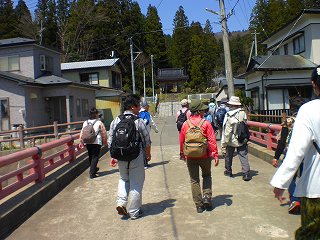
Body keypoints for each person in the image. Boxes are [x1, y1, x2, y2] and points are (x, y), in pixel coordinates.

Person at [271, 66, 320, 239]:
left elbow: (296, 151)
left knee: (310, 234)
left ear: (314, 84)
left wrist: (281, 182)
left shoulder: (308, 110)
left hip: (316, 188)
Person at [108, 94, 151, 220]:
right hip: (135, 156)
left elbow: (111, 140)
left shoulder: (116, 120)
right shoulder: (138, 121)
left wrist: (114, 156)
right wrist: (148, 154)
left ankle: (121, 203)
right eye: (138, 105)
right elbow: (147, 141)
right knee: (136, 183)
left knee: (123, 179)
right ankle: (134, 212)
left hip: (120, 156)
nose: (140, 107)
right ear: (132, 107)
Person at [179, 99, 219, 213]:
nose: (204, 111)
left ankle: (199, 205)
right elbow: (212, 140)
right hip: (204, 155)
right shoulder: (206, 123)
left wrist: (182, 153)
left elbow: (181, 140)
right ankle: (207, 198)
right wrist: (215, 154)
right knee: (206, 176)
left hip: (190, 156)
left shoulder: (185, 124)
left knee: (194, 180)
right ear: (198, 111)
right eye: (202, 109)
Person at [272, 116, 301, 214]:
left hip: (291, 154)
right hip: (307, 154)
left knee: (290, 177)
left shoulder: (287, 125)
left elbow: (282, 143)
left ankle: (295, 200)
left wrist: (276, 157)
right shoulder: (303, 123)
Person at [221, 96, 251, 181]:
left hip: (231, 139)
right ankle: (246, 173)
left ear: (232, 105)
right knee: (243, 155)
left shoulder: (229, 115)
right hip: (242, 138)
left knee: (228, 156)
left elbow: (227, 130)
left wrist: (224, 142)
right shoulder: (243, 113)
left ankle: (228, 171)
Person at [80, 107, 108, 179]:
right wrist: (105, 143)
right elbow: (104, 133)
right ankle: (92, 173)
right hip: (96, 142)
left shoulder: (85, 122)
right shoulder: (99, 122)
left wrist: (81, 141)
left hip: (87, 142)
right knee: (95, 157)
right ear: (95, 114)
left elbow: (82, 133)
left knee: (90, 156)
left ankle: (94, 169)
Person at [139, 99, 158, 169]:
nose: (149, 107)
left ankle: (143, 163)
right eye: (148, 106)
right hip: (146, 134)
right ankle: (145, 163)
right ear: (146, 106)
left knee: (141, 149)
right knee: (146, 148)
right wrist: (156, 130)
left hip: (138, 134)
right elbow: (151, 123)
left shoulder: (138, 113)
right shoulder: (147, 114)